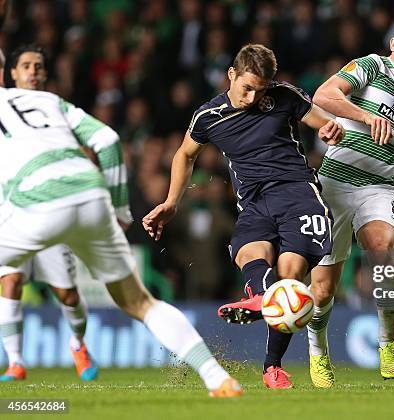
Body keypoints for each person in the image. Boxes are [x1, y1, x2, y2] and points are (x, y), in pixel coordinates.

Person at [0, 47, 242, 398]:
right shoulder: (50, 102)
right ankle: (217, 377)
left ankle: (30, 355)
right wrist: (120, 211)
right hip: (90, 193)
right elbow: (109, 140)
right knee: (141, 302)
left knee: (9, 277)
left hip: (35, 203)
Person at [142, 44, 344, 389]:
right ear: (231, 75)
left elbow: (320, 121)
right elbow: (184, 154)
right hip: (254, 203)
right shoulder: (209, 117)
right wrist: (172, 201)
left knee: (290, 277)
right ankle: (263, 298)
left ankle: (272, 364)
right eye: (247, 88)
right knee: (248, 254)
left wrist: (328, 129)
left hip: (298, 194)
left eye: (260, 90)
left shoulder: (283, 96)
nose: (252, 98)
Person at [306, 18, 394, 387]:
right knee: (323, 289)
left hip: (380, 184)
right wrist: (366, 115)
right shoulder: (371, 66)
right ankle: (318, 352)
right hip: (335, 181)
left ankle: (387, 342)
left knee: (382, 250)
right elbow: (323, 95)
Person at [0, 44, 121, 382]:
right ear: (11, 73)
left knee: (66, 293)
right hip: (11, 212)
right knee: (9, 281)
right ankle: (15, 362)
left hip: (51, 206)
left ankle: (78, 343)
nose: (33, 72)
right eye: (25, 65)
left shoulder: (55, 110)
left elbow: (94, 145)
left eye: (38, 66)